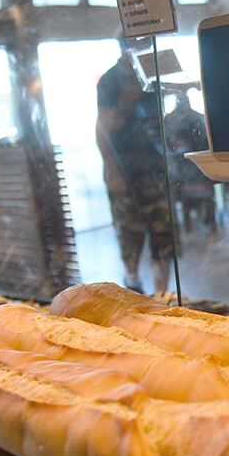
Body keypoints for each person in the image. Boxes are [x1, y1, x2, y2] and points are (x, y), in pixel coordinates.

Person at [96, 58, 174, 293]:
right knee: (130, 232)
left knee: (163, 232)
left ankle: (162, 295)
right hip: (125, 170)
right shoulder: (111, 80)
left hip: (155, 169)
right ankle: (133, 283)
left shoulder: (153, 70)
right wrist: (112, 169)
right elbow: (102, 127)